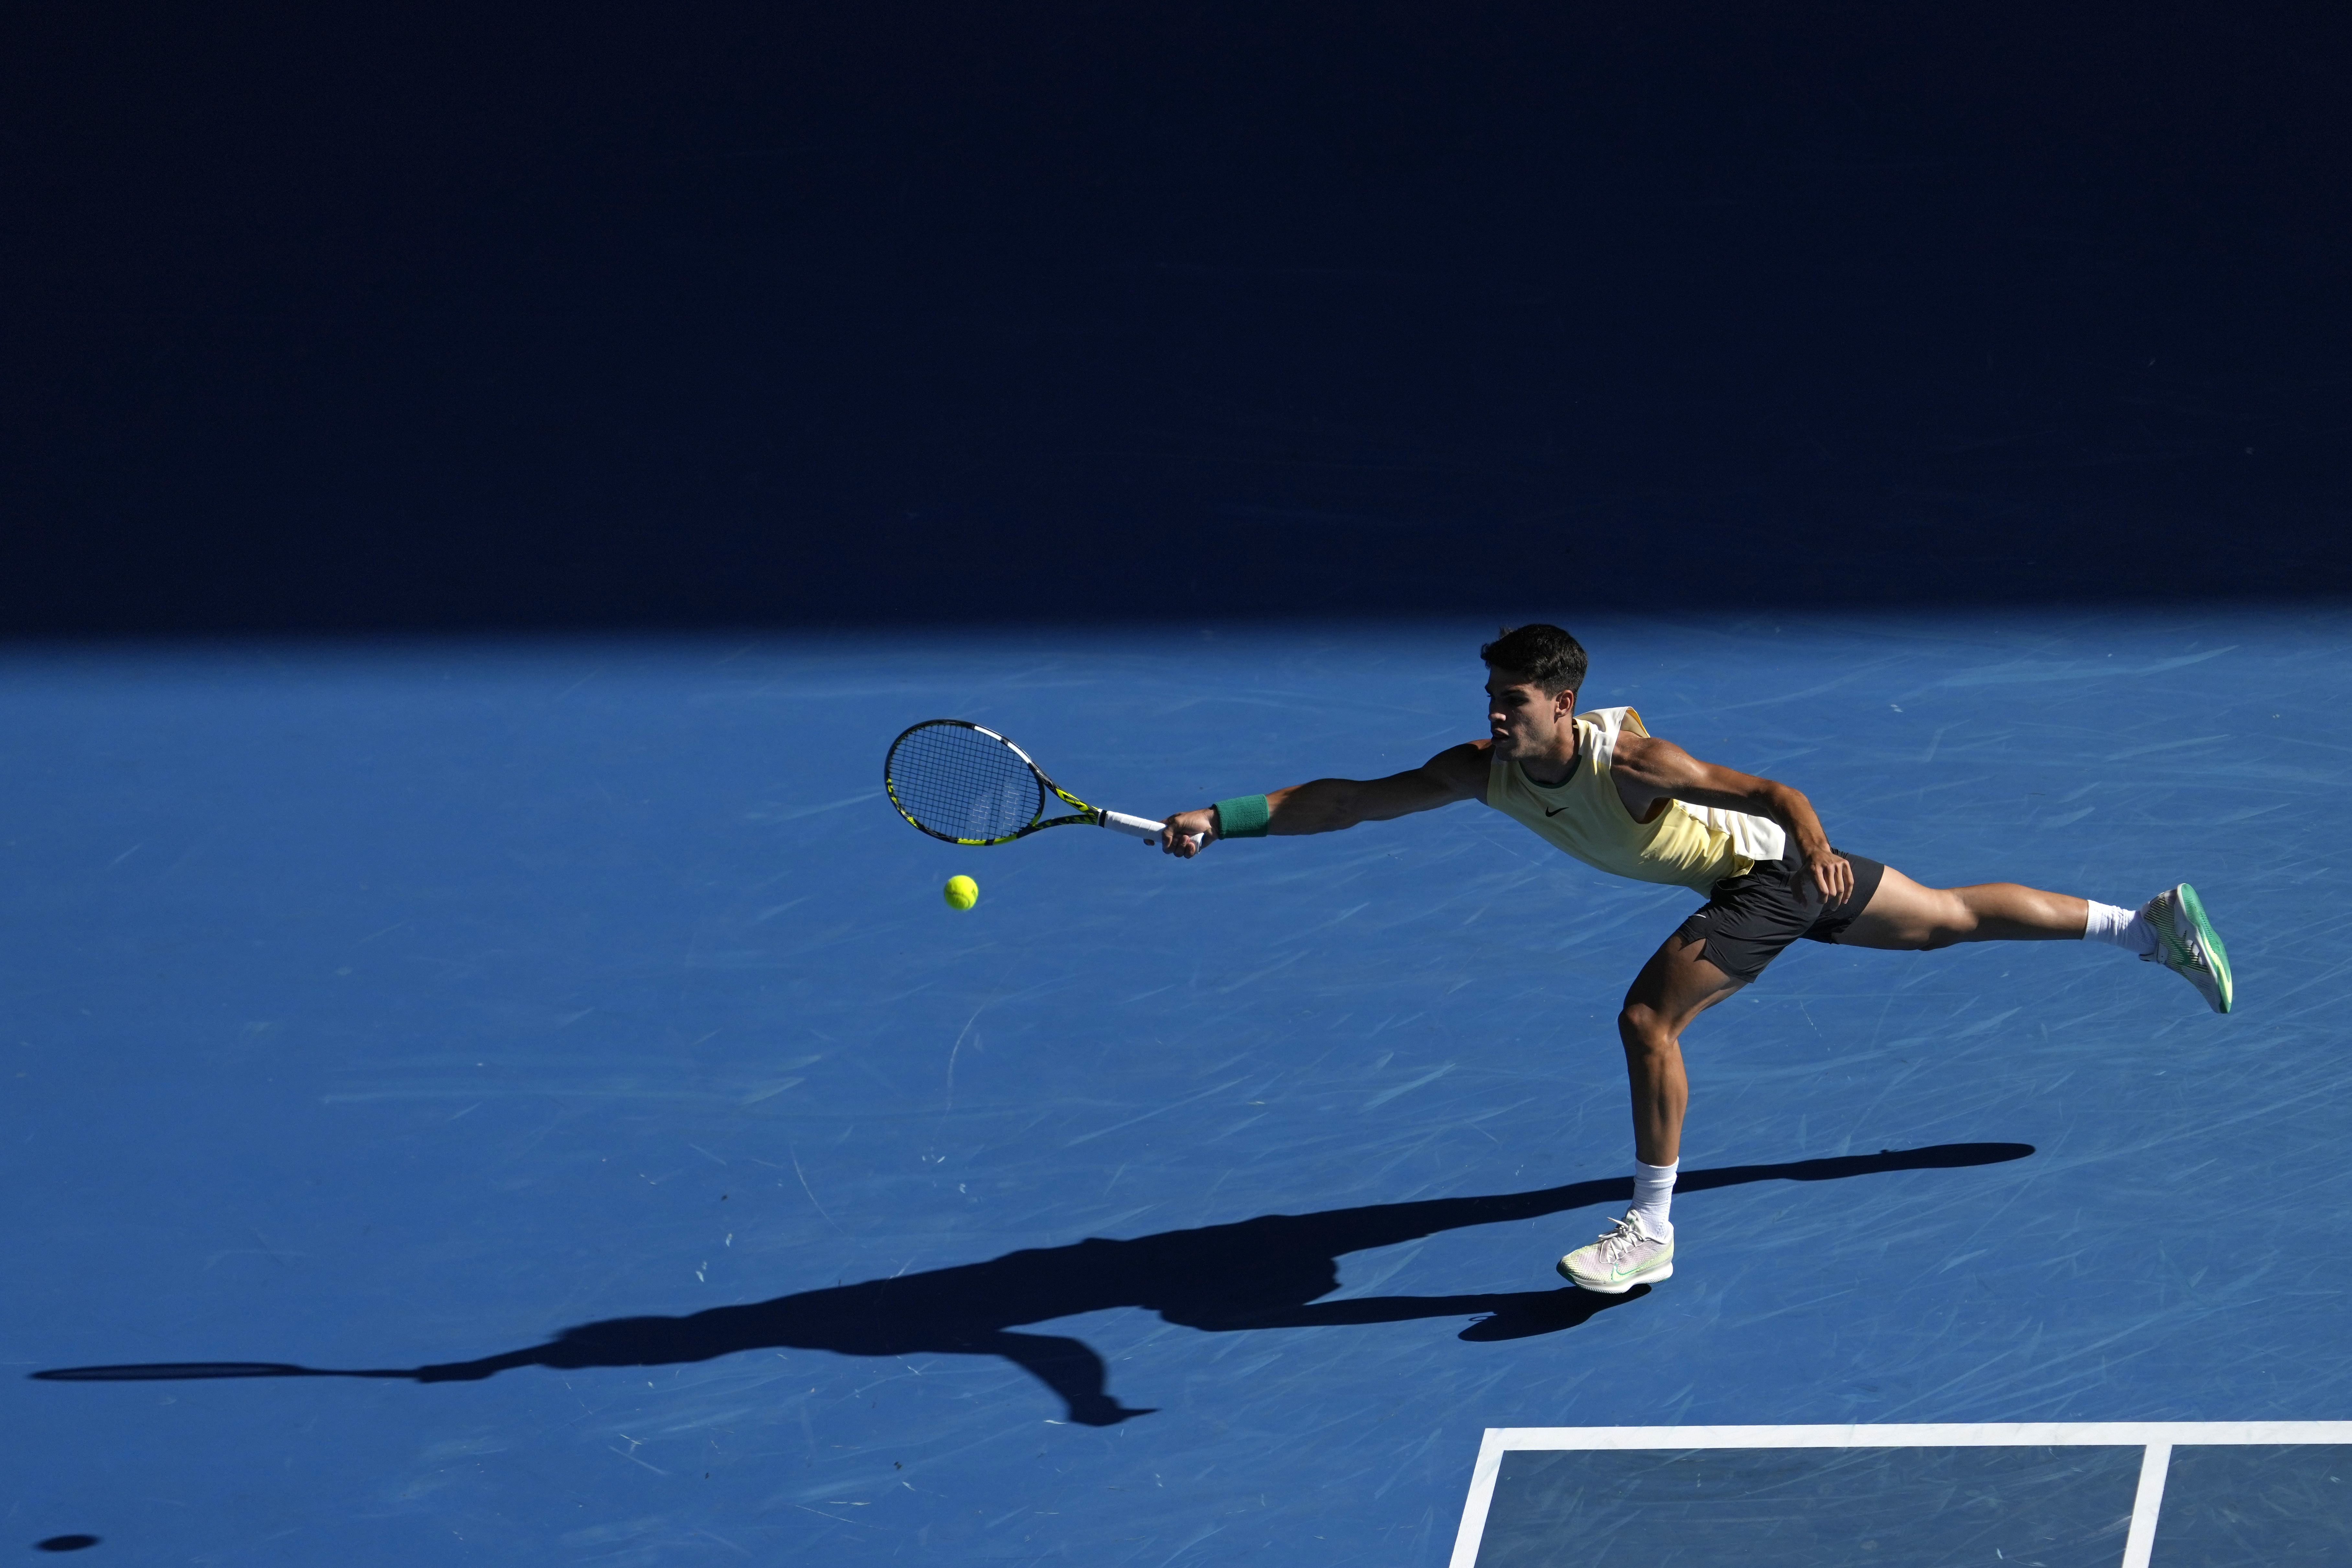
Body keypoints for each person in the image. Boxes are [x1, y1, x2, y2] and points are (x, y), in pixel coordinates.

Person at [1154, 624, 2232, 1295]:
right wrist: (1224, 815)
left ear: (1561, 704)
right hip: (1764, 877)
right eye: (1491, 695)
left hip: (1768, 875)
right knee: (1945, 918)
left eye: (1512, 698)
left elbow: (1772, 792)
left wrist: (1813, 845)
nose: (1494, 711)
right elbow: (1350, 800)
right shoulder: (1481, 769)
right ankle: (2149, 927)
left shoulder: (1631, 761)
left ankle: (1652, 1229)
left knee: (1648, 1020)